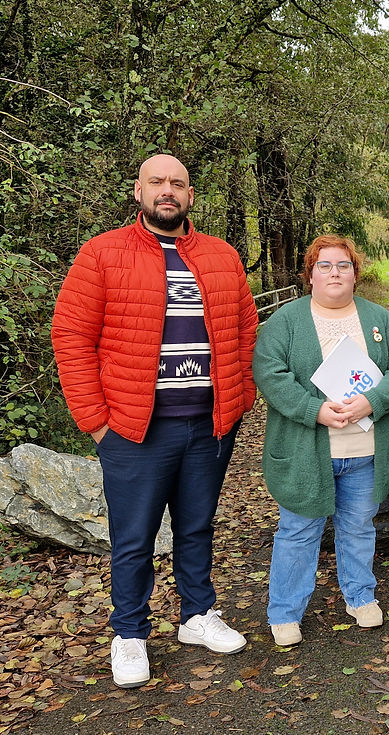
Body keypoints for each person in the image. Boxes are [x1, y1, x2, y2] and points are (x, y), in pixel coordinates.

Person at [51, 154, 258, 689]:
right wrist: (96, 421)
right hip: (134, 429)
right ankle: (130, 634)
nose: (168, 191)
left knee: (196, 524)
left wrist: (239, 402)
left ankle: (196, 615)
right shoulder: (102, 254)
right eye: (157, 183)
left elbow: (245, 332)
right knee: (135, 536)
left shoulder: (221, 255)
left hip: (208, 425)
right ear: (138, 190)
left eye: (178, 184)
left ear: (190, 195)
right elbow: (70, 337)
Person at [253, 235, 389, 646]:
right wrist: (315, 411)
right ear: (310, 274)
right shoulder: (285, 323)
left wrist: (371, 402)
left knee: (359, 526)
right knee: (298, 529)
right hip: (307, 451)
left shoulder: (379, 320)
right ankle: (286, 611)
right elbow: (269, 374)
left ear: (355, 273)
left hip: (364, 452)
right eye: (324, 265)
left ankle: (360, 596)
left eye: (343, 265)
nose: (334, 272)